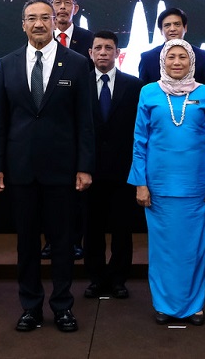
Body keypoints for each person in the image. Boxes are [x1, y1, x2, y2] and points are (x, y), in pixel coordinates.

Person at [0, 0, 95, 333]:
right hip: (20, 170)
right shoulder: (6, 63)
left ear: (54, 22)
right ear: (22, 24)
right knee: (26, 243)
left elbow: (86, 121)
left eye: (44, 18)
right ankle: (30, 307)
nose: (38, 24)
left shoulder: (77, 63)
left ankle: (63, 306)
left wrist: (85, 165)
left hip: (63, 171)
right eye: (31, 18)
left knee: (62, 243)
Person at [129, 39, 205, 327]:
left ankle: (194, 306)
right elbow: (140, 142)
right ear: (162, 61)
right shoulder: (148, 92)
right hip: (158, 187)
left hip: (196, 187)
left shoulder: (204, 93)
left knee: (193, 249)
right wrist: (140, 183)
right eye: (171, 57)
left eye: (182, 57)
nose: (176, 62)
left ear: (191, 62)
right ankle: (163, 305)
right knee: (163, 250)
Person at [83, 31, 140, 299]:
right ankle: (95, 279)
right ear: (90, 53)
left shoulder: (135, 85)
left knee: (121, 228)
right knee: (91, 228)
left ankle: (118, 279)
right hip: (88, 170)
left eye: (109, 47)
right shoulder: (78, 85)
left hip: (123, 170)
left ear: (118, 53)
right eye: (98, 48)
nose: (103, 52)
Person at [45, 0, 93, 260]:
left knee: (74, 190)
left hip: (75, 123)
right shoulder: (39, 36)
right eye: (57, 3)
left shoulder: (88, 39)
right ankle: (50, 241)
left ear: (76, 8)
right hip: (45, 123)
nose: (62, 8)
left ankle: (75, 240)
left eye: (67, 3)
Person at [138, 8, 205, 86]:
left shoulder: (201, 56)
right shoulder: (147, 58)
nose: (172, 29)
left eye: (177, 24)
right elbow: (142, 93)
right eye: (167, 25)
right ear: (161, 30)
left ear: (185, 28)